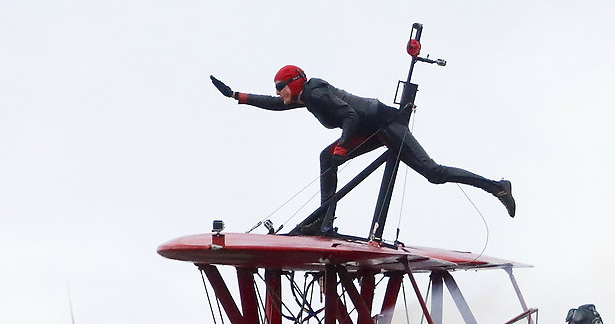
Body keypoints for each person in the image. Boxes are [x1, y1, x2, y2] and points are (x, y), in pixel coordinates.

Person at [212, 66, 515, 230]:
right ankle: (324, 219)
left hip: (385, 124)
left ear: (295, 83)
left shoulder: (315, 94)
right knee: (326, 158)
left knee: (433, 173)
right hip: (370, 129)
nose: (277, 92)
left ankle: (497, 187)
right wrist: (237, 96)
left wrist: (344, 145)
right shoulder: (304, 97)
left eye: (280, 87)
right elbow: (276, 105)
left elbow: (350, 115)